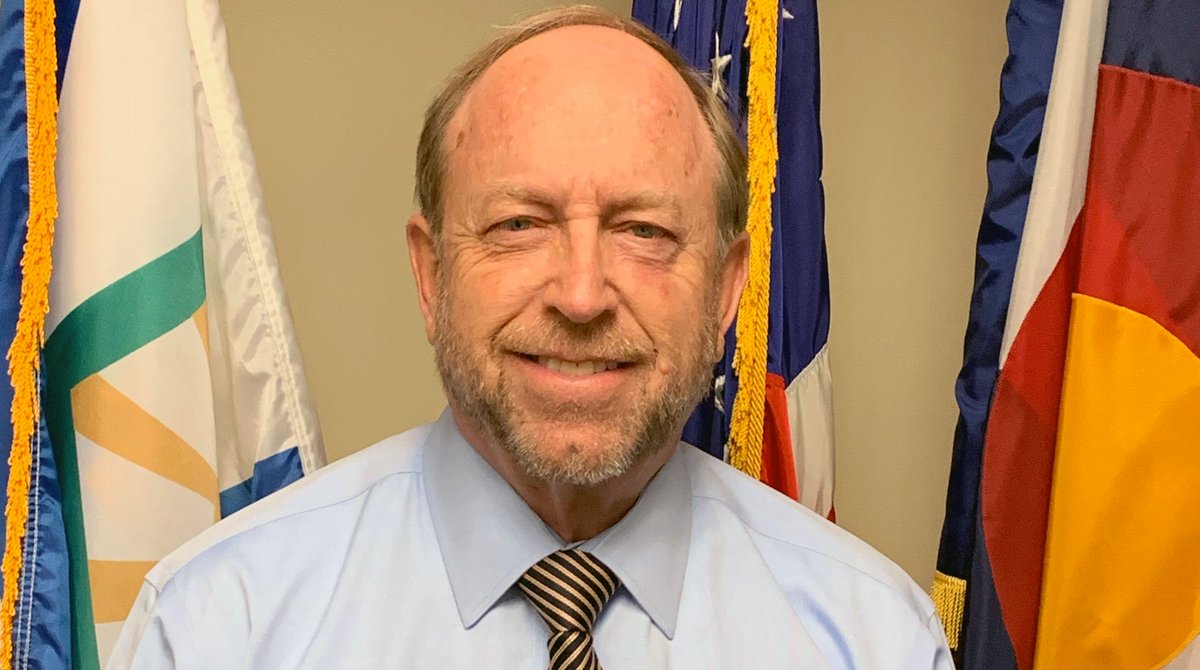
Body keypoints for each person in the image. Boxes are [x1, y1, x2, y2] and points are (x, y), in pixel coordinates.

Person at [109, 6, 951, 669]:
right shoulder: (219, 626)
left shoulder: (871, 638)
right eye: (519, 224)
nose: (581, 296)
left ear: (729, 287)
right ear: (432, 273)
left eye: (645, 232)